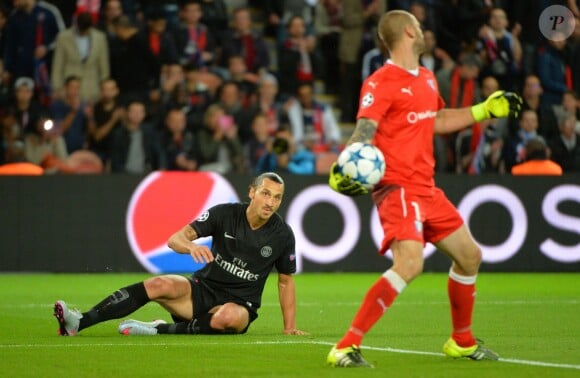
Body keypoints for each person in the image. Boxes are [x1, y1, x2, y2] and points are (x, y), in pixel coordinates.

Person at [326, 10, 522, 368]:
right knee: (410, 264)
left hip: (426, 187)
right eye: (418, 26)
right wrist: (350, 159)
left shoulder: (428, 78)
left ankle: (461, 341)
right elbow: (365, 128)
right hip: (397, 187)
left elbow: (439, 120)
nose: (425, 30)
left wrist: (483, 110)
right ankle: (346, 345)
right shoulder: (381, 81)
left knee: (469, 256)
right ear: (407, 33)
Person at [53, 172, 308, 337]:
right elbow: (175, 239)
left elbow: (285, 281)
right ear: (252, 192)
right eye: (265, 193)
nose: (270, 202)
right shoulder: (224, 214)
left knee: (227, 317)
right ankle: (79, 322)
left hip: (239, 306)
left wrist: (289, 327)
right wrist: (191, 247)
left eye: (277, 198)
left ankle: (156, 330)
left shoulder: (283, 234)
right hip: (202, 291)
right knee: (158, 283)